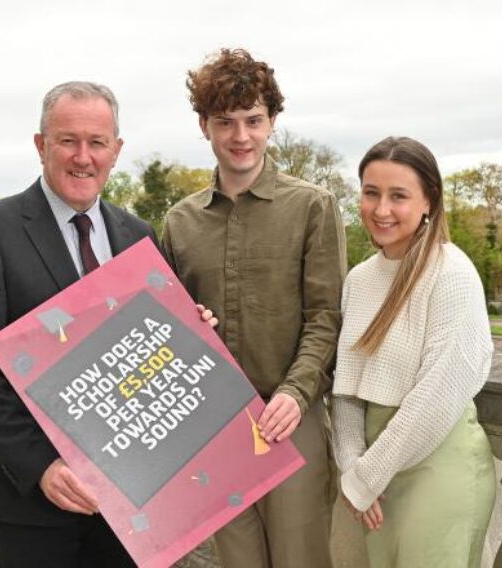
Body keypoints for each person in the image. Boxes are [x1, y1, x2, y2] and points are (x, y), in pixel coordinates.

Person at [0, 81, 159, 568]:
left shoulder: (138, 236)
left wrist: (191, 326)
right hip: (36, 498)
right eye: (68, 140)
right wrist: (41, 466)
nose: (83, 157)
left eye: (97, 142)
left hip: (129, 495)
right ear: (42, 145)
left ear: (116, 150)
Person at [162, 48, 346, 568]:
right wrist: (188, 326)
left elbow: (326, 316)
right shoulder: (179, 222)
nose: (240, 136)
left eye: (253, 120)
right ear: (205, 126)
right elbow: (167, 328)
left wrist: (296, 391)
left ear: (272, 123)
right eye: (225, 122)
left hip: (291, 414)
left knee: (300, 559)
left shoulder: (313, 205)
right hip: (214, 426)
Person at [331, 136, 496, 567]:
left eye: (398, 196)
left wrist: (367, 477)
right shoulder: (359, 280)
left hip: (438, 470)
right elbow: (346, 390)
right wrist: (352, 465)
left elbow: (437, 398)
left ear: (429, 201)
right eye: (371, 193)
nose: (381, 210)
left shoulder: (452, 273)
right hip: (375, 477)